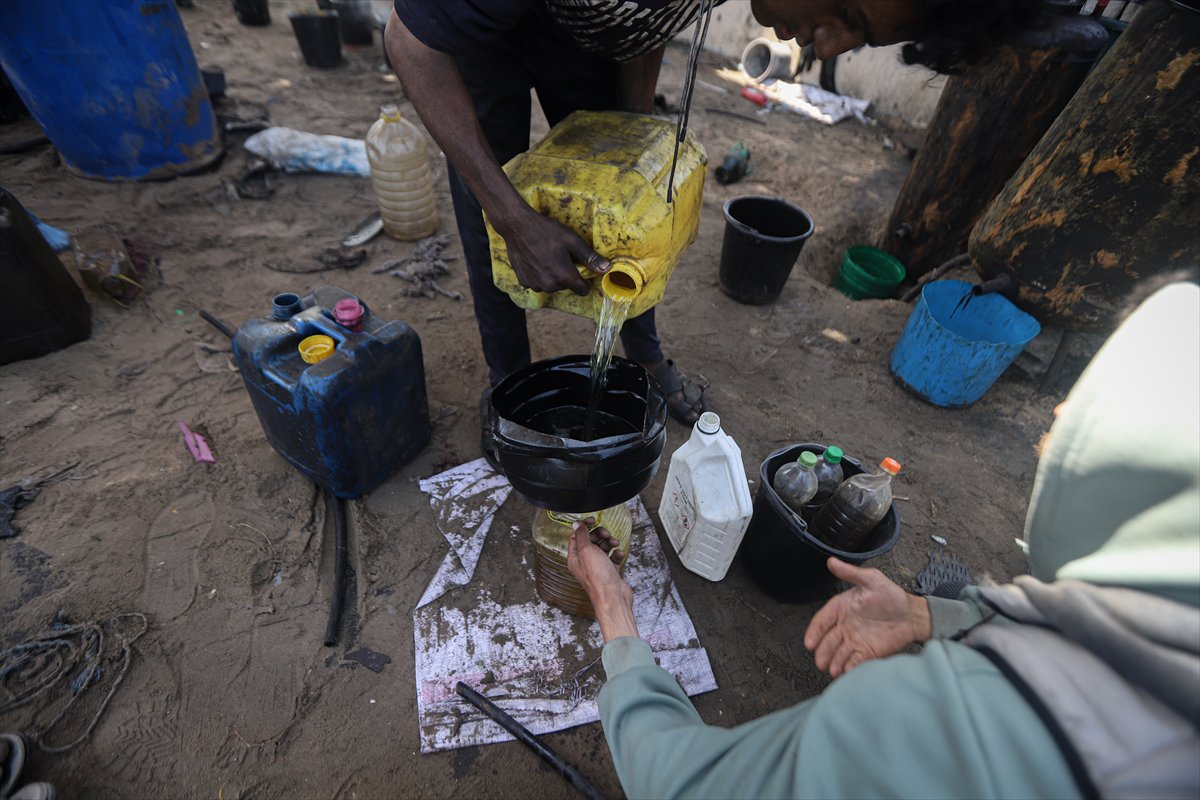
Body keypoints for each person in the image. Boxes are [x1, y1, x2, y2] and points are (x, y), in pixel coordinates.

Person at [566, 281, 1200, 798]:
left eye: (1077, 417)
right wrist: (934, 613)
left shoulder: (935, 724)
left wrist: (614, 608)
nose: (1056, 418)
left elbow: (681, 782)